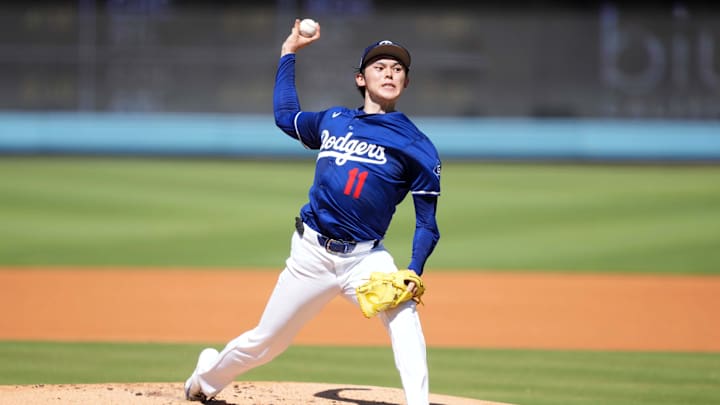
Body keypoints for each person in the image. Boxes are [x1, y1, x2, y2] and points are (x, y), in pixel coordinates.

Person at [184, 19, 441, 405]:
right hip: (311, 254)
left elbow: (427, 224)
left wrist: (413, 270)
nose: (389, 72)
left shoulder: (417, 146)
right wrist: (289, 53)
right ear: (360, 78)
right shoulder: (334, 120)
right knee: (265, 343)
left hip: (365, 260)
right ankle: (205, 379)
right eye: (380, 66)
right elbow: (286, 116)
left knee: (404, 315)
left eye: (398, 68)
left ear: (405, 82)